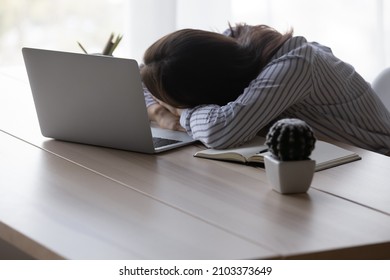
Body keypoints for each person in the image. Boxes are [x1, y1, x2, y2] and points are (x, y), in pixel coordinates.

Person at [141, 23, 390, 155]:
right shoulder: (230, 46)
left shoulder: (295, 64)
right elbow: (143, 77)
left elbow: (221, 130)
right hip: (325, 161)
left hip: (375, 165)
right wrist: (162, 113)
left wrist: (180, 115)